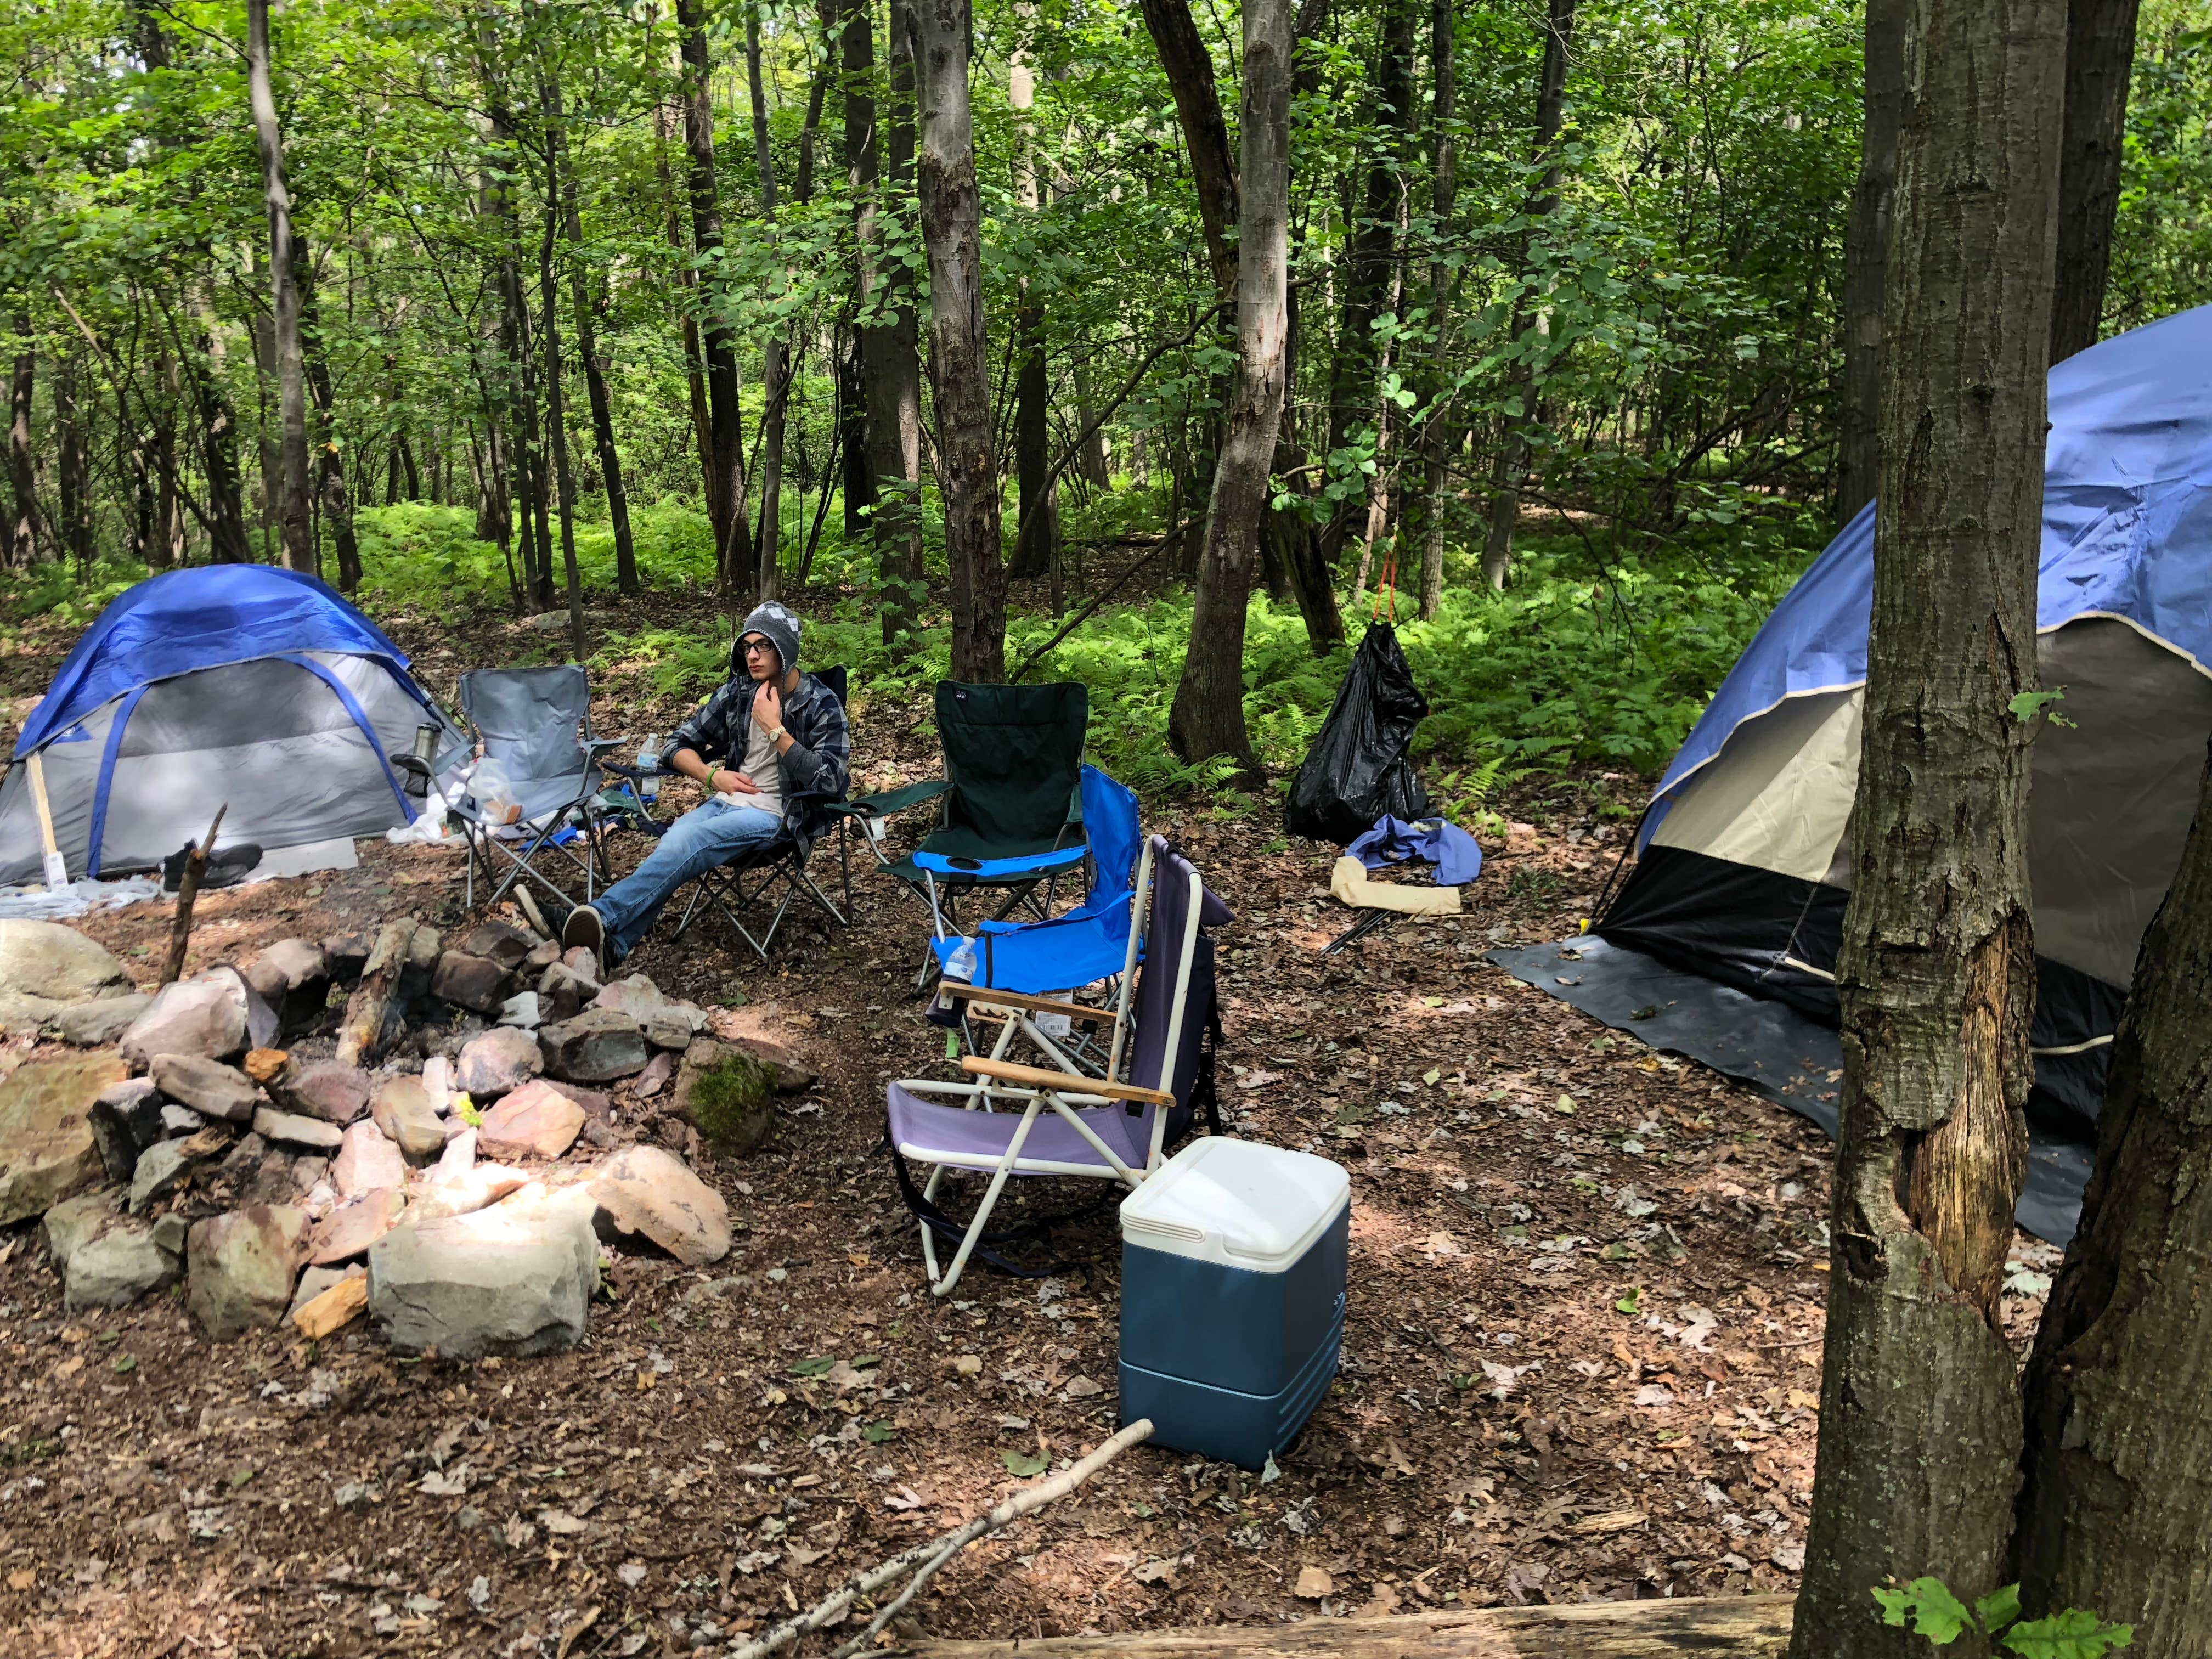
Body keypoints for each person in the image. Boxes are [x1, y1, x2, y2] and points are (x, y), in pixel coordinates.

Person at [563, 601, 849, 967]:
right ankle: (614, 946)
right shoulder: (740, 691)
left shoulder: (820, 703)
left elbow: (831, 781)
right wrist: (712, 775)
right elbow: (675, 745)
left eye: (763, 646)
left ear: (785, 649)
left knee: (686, 838)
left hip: (780, 815)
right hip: (728, 802)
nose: (752, 656)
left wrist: (775, 729)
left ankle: (601, 917)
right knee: (675, 840)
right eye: (747, 647)